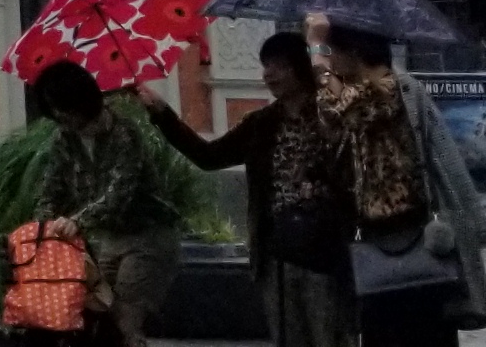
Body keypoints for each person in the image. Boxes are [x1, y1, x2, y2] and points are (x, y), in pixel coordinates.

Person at [146, 32, 350, 347]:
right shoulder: (261, 123)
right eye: (266, 66)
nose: (269, 74)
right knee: (288, 337)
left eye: (279, 66)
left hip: (325, 250)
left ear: (300, 67)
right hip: (276, 252)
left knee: (330, 336)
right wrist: (163, 115)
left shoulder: (332, 116)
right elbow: (209, 156)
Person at [309, 19, 486, 347]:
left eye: (335, 51)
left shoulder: (391, 86)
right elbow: (330, 117)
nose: (332, 61)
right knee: (383, 332)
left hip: (411, 234)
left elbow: (337, 107)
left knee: (420, 331)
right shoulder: (364, 90)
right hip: (374, 235)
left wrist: (316, 51)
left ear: (354, 51)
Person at [29, 61, 182, 347]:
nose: (59, 115)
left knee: (125, 320)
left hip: (148, 237)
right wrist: (45, 227)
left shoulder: (124, 134)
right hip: (108, 239)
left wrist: (77, 221)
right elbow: (50, 191)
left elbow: (118, 195)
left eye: (63, 106)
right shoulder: (64, 140)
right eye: (53, 108)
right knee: (98, 319)